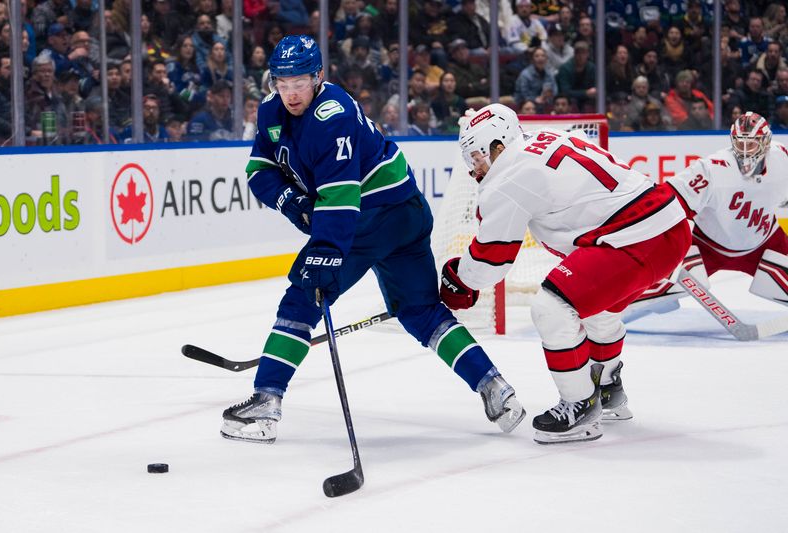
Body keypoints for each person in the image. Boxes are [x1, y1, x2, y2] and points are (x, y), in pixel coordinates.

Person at [221, 35, 525, 444]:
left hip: (372, 216)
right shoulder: (272, 112)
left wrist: (327, 254)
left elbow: (341, 196)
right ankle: (495, 389)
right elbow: (259, 170)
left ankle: (266, 402)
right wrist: (294, 205)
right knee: (420, 311)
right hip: (405, 213)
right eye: (282, 82)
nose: (291, 92)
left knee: (303, 297)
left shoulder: (333, 115)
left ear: (318, 77)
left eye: (299, 82)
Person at [440, 103, 690, 444]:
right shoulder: (545, 137)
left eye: (477, 156)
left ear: (499, 145)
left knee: (552, 307)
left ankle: (580, 406)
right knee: (596, 309)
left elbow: (492, 261)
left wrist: (460, 280)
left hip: (635, 238)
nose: (474, 169)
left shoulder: (507, 176)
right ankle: (607, 391)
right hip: (667, 225)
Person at [637, 112, 788, 311]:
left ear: (766, 142)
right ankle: (611, 310)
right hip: (706, 246)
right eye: (739, 143)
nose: (744, 151)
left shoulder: (782, 157)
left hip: (765, 242)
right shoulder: (712, 168)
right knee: (650, 287)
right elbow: (670, 200)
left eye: (751, 143)